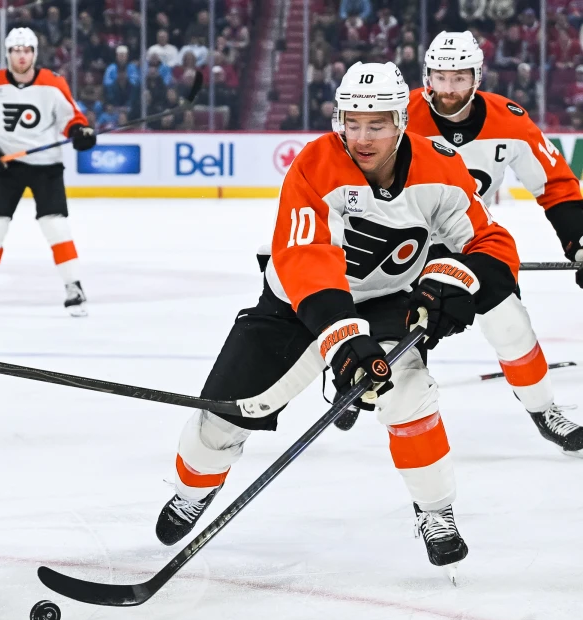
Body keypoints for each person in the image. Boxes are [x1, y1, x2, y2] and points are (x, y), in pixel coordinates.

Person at [156, 62, 519, 577]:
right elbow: (306, 261)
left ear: (401, 121)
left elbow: (490, 242)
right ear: (338, 120)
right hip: (297, 305)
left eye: (378, 124)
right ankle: (192, 490)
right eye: (353, 122)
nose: (363, 137)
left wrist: (456, 280)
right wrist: (346, 343)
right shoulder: (315, 164)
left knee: (410, 394)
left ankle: (435, 511)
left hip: (386, 300)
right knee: (226, 412)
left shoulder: (440, 168)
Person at [398, 31, 583, 454]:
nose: (447, 90)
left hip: (473, 239)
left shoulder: (510, 120)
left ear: (476, 77)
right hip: (402, 240)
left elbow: (556, 184)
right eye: (440, 78)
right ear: (427, 75)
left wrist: (580, 241)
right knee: (397, 337)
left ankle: (544, 410)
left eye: (459, 78)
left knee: (510, 323)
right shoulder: (400, 114)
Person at [0, 27, 96, 317]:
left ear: (34, 53)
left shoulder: (53, 83)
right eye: (15, 50)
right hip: (8, 165)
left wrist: (80, 132)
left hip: (46, 165)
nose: (21, 56)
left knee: (56, 226)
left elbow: (71, 118)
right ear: (7, 53)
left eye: (26, 50)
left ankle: (74, 288)